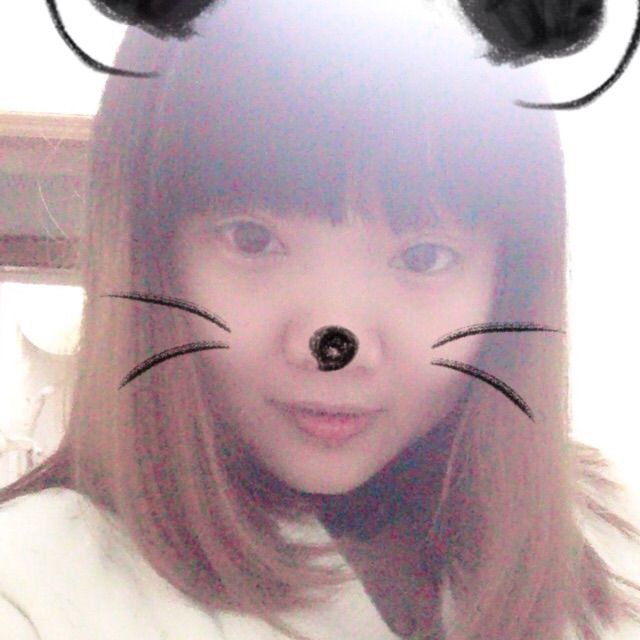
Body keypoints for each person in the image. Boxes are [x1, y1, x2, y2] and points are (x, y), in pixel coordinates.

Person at [1, 1, 639, 639]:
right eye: (252, 240)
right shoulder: (31, 589)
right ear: (149, 254)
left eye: (424, 257)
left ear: (510, 282)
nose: (334, 346)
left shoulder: (607, 535)